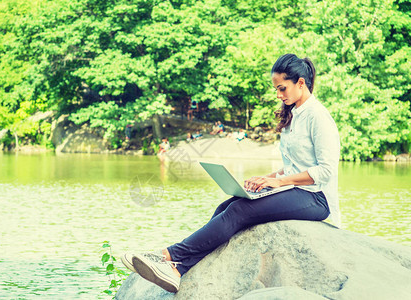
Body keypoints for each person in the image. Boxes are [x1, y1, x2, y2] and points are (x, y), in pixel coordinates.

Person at [121, 54, 341, 293]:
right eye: (276, 89)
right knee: (227, 206)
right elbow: (294, 166)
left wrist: (279, 182)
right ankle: (179, 269)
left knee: (239, 211)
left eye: (282, 88)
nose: (278, 95)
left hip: (317, 198)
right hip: (296, 189)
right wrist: (265, 179)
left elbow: (325, 171)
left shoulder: (319, 117)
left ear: (300, 83)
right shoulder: (294, 114)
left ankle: (168, 257)